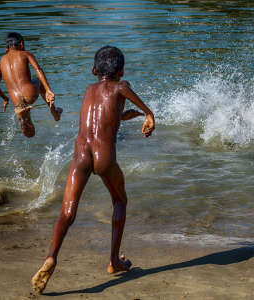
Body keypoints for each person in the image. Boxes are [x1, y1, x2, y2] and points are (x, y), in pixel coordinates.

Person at [31, 46, 155, 293]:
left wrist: (131, 115)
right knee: (120, 200)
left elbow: (108, 115)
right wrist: (149, 115)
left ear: (93, 70)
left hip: (81, 155)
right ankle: (113, 261)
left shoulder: (89, 90)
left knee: (67, 212)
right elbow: (127, 96)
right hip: (104, 157)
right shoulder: (122, 85)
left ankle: (51, 257)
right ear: (121, 71)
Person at [0, 32, 62, 138]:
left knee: (30, 134)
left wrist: (5, 98)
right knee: (39, 81)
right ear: (21, 44)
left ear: (6, 48)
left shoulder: (1, 61)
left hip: (16, 100)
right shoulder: (25, 53)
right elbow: (38, 69)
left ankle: (22, 113)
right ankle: (54, 112)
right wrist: (48, 89)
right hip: (30, 93)